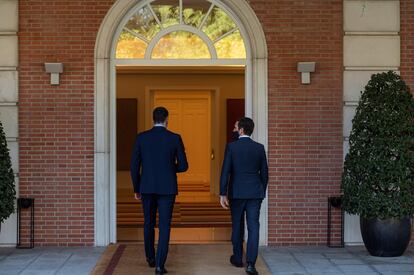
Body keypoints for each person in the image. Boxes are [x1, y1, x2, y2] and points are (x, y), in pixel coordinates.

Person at [130, 106, 188, 275]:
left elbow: (134, 166)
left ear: (152, 119)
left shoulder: (141, 138)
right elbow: (183, 166)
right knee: (164, 225)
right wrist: (170, 168)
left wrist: (137, 187)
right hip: (167, 188)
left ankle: (150, 258)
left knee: (148, 222)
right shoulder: (175, 138)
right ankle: (160, 266)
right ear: (167, 119)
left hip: (146, 187)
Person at [220, 117, 268, 275]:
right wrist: (261, 190)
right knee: (254, 227)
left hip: (237, 192)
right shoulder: (259, 148)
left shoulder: (232, 147)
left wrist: (222, 193)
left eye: (235, 127)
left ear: (241, 130)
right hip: (255, 192)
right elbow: (265, 173)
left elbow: (226, 171)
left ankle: (238, 258)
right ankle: (251, 264)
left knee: (237, 225)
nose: (234, 129)